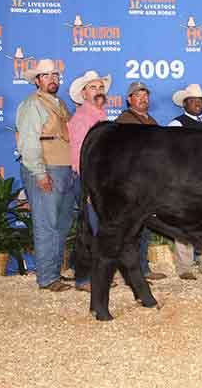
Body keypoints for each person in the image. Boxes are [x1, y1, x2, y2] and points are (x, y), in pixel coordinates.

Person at [15, 59, 75, 292]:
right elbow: (28, 143)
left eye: (55, 75)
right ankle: (47, 278)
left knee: (61, 224)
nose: (53, 79)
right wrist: (39, 173)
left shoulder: (60, 104)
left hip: (64, 168)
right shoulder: (32, 105)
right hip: (45, 168)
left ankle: (54, 271)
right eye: (47, 76)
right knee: (46, 224)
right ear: (37, 80)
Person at [168, 83, 202, 280]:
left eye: (200, 101)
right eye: (193, 101)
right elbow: (171, 155)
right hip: (186, 181)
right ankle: (185, 267)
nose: (197, 104)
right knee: (184, 221)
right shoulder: (176, 124)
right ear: (184, 103)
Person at [115, 82, 166, 281]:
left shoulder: (151, 121)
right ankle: (129, 271)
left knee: (143, 228)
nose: (143, 99)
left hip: (149, 184)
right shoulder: (124, 121)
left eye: (145, 95)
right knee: (129, 229)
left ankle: (142, 269)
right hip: (131, 183)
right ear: (129, 99)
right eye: (138, 95)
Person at [67, 70, 112, 292]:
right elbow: (77, 156)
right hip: (88, 181)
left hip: (99, 182)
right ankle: (84, 278)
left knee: (98, 227)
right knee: (90, 228)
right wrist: (88, 188)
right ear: (83, 94)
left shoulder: (101, 117)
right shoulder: (82, 119)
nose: (98, 91)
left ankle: (96, 275)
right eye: (93, 88)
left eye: (100, 87)